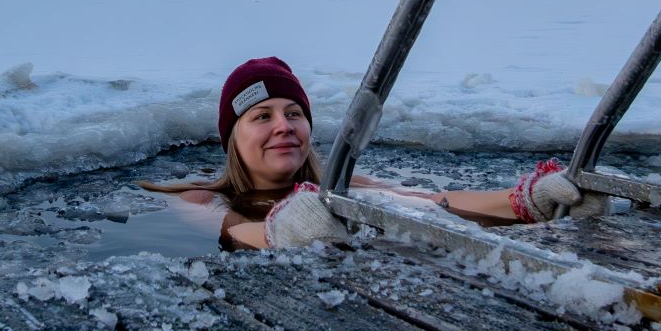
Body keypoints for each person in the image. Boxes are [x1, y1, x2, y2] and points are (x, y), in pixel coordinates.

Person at [141, 57, 586, 249]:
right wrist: (280, 233)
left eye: (294, 113)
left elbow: (431, 202)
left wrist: (525, 201)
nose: (284, 126)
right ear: (232, 138)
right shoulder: (198, 198)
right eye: (262, 117)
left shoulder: (346, 187)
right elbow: (232, 231)